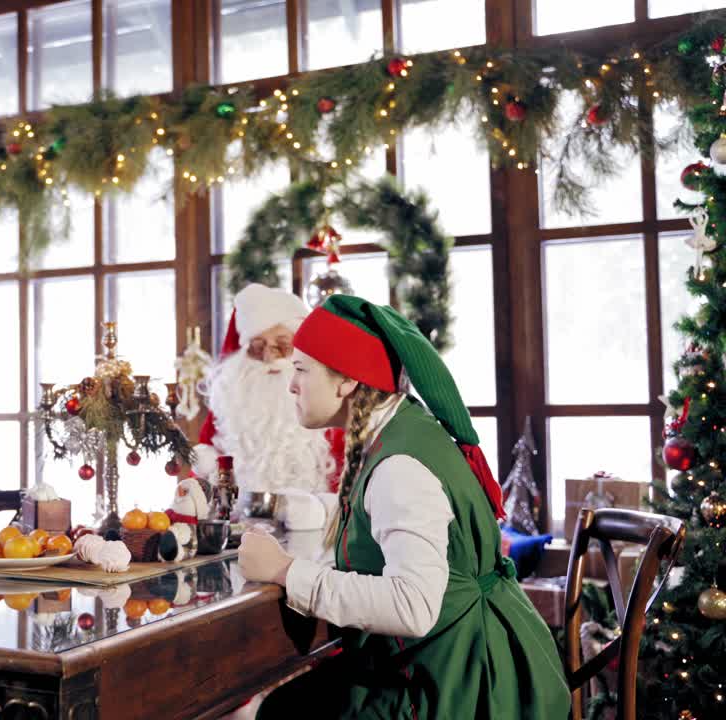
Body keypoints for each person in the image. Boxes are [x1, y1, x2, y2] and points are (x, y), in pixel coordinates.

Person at [238, 294, 569, 719]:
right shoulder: (401, 429)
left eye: (302, 369)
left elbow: (413, 606)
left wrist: (285, 571)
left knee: (285, 711)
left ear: (347, 381)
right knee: (290, 704)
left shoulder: (399, 466)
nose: (292, 384)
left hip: (458, 682)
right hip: (456, 653)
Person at [192, 284, 340, 529]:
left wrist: (319, 511)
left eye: (282, 345)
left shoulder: (332, 414)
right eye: (258, 347)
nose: (269, 359)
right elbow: (197, 489)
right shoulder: (229, 409)